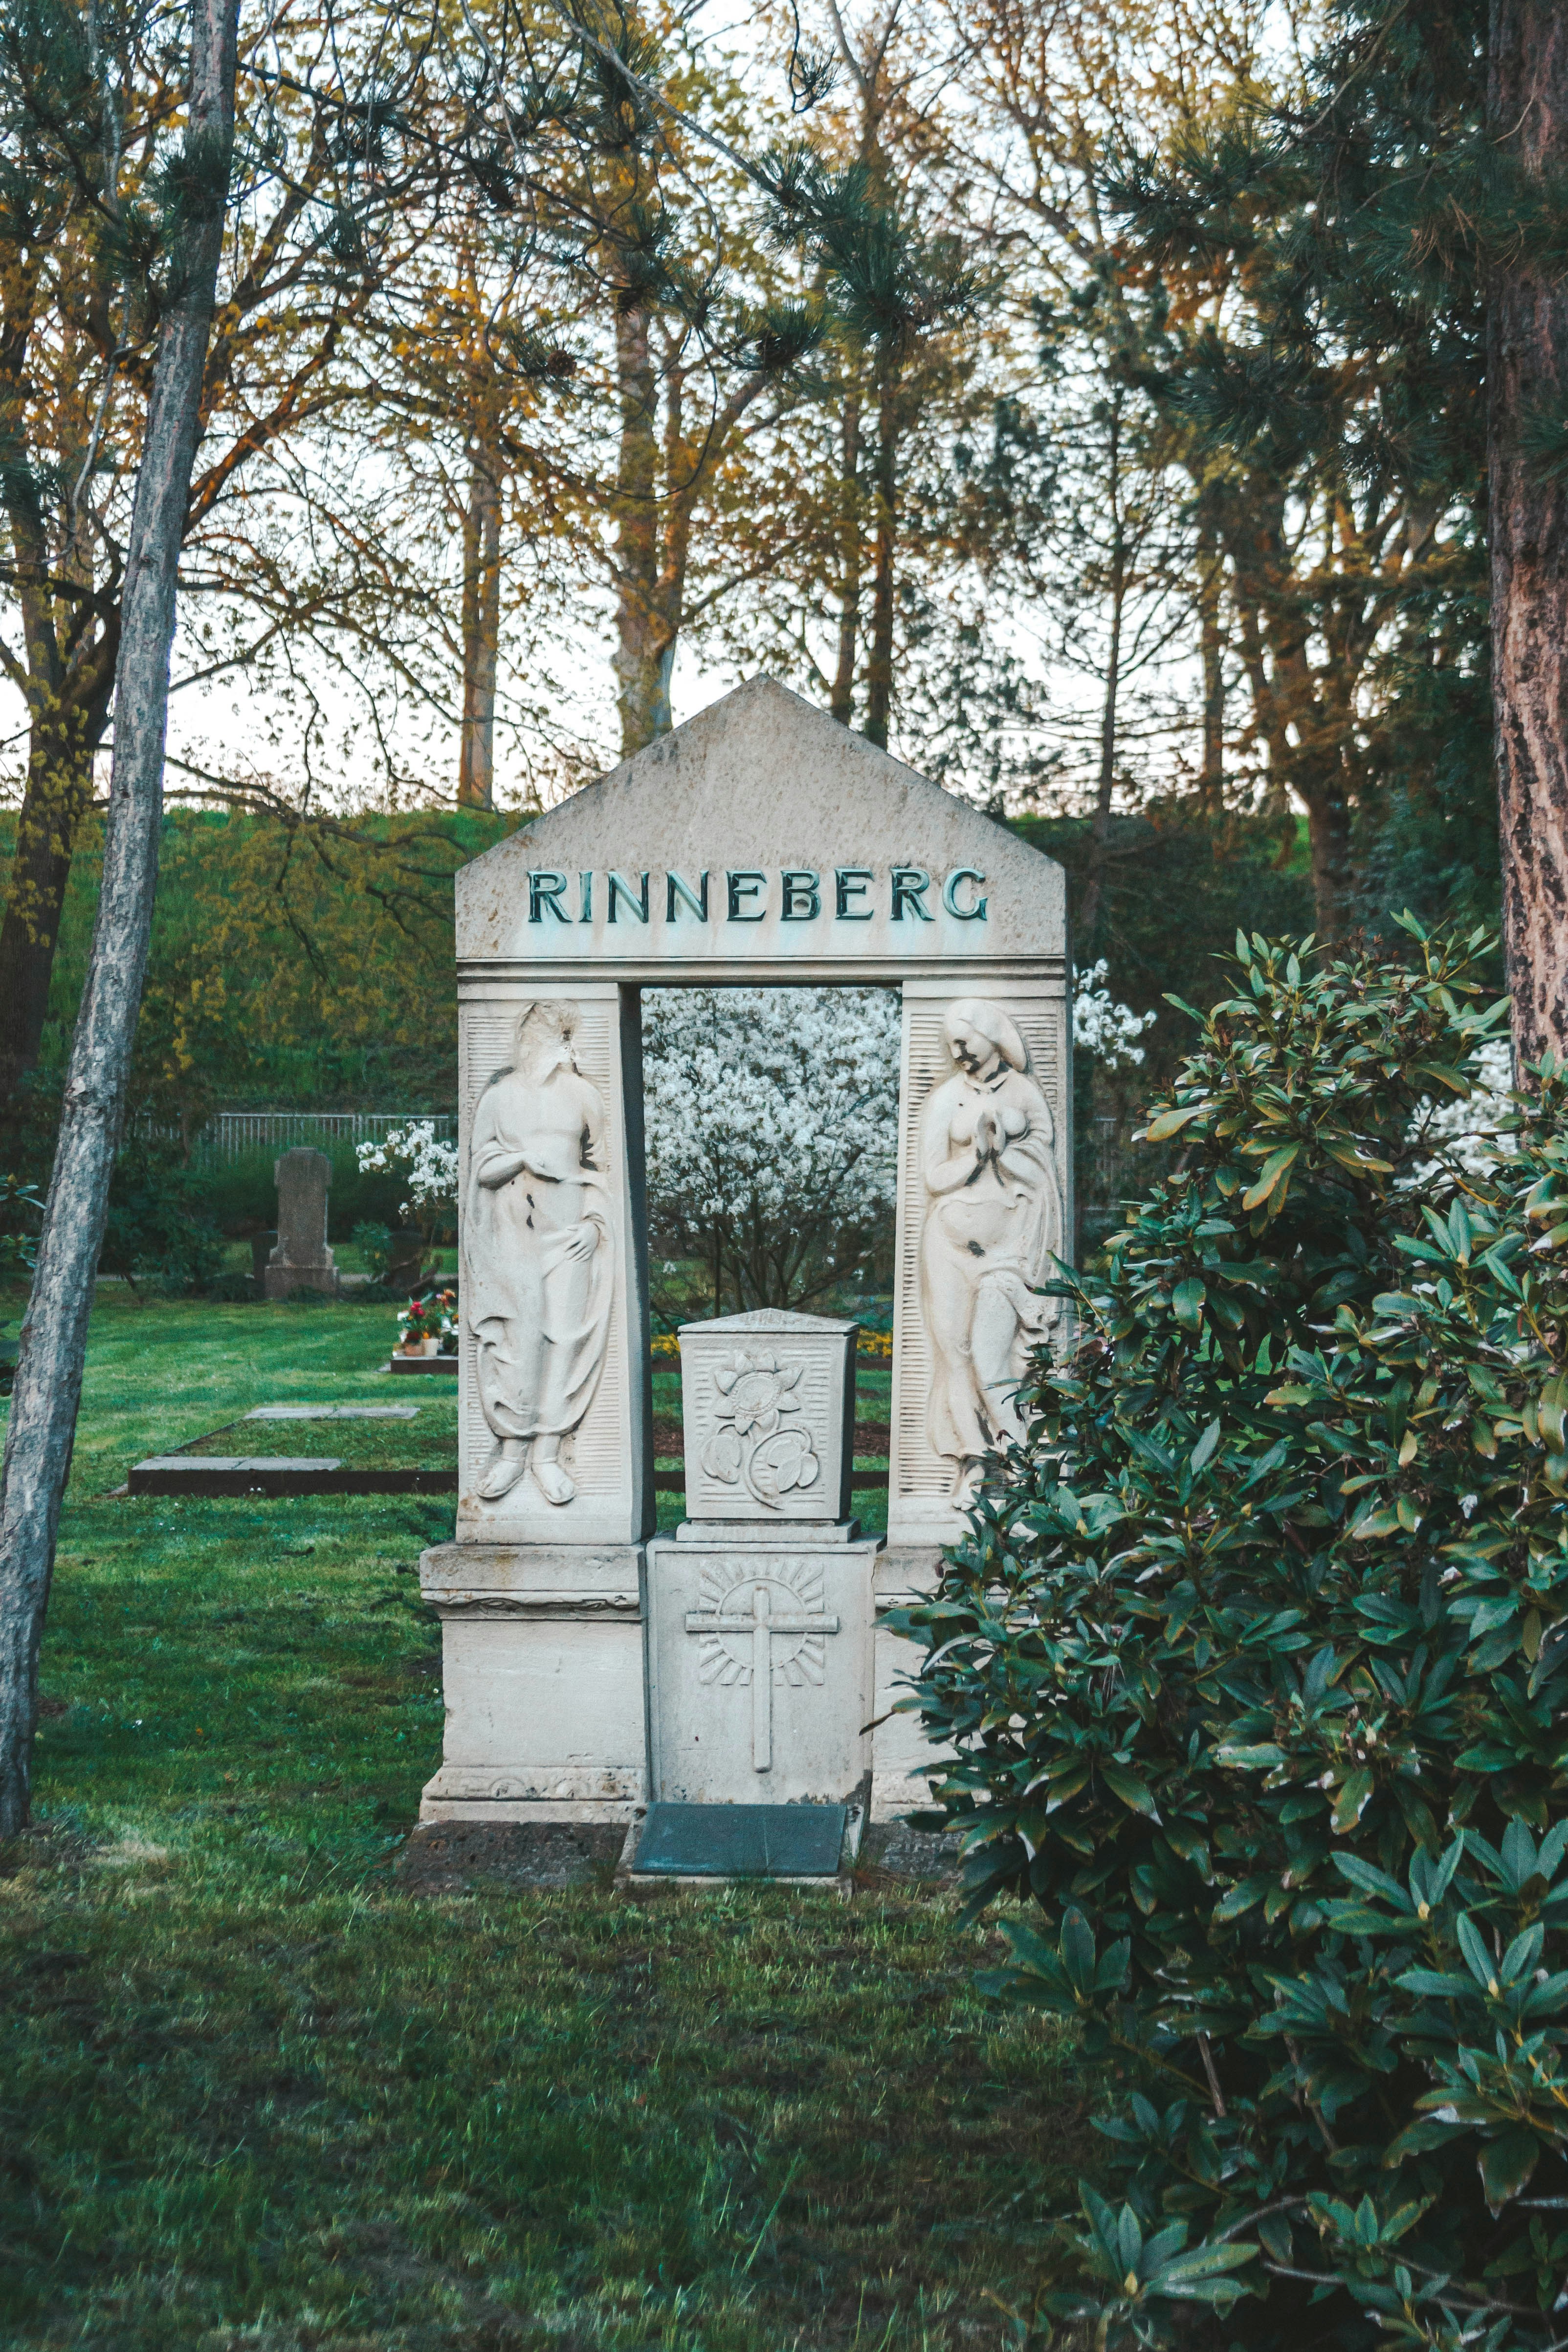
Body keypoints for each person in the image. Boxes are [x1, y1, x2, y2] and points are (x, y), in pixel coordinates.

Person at [464, 999, 613, 1504]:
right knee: (518, 1341)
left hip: (569, 1237)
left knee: (563, 1337)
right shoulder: (499, 1097)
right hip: (514, 1237)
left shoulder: (583, 1095)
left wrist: (594, 1224)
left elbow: (604, 1170)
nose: (533, 1046)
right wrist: (523, 1158)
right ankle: (512, 1452)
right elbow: (481, 1170)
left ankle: (547, 1453)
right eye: (530, 1036)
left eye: (546, 1037)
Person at [918, 997, 1063, 1496]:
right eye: (951, 1045)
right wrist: (976, 1158)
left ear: (991, 1034)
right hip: (948, 1245)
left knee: (988, 1353)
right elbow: (934, 1176)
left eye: (964, 1041)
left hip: (1007, 1251)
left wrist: (1006, 1151)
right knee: (954, 1354)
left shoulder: (1024, 1091)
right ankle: (975, 1460)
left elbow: (1044, 1164)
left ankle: (1019, 1458)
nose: (957, 1052)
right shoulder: (945, 1099)